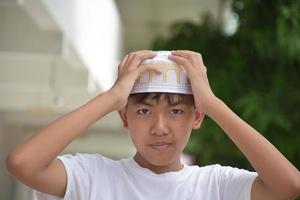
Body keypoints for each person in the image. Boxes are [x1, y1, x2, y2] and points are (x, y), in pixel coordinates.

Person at [6, 50, 300, 200]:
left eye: (175, 111)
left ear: (196, 117)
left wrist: (211, 102)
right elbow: (22, 163)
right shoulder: (93, 176)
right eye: (144, 110)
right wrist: (111, 97)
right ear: (124, 117)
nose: (160, 127)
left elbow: (289, 186)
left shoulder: (215, 185)